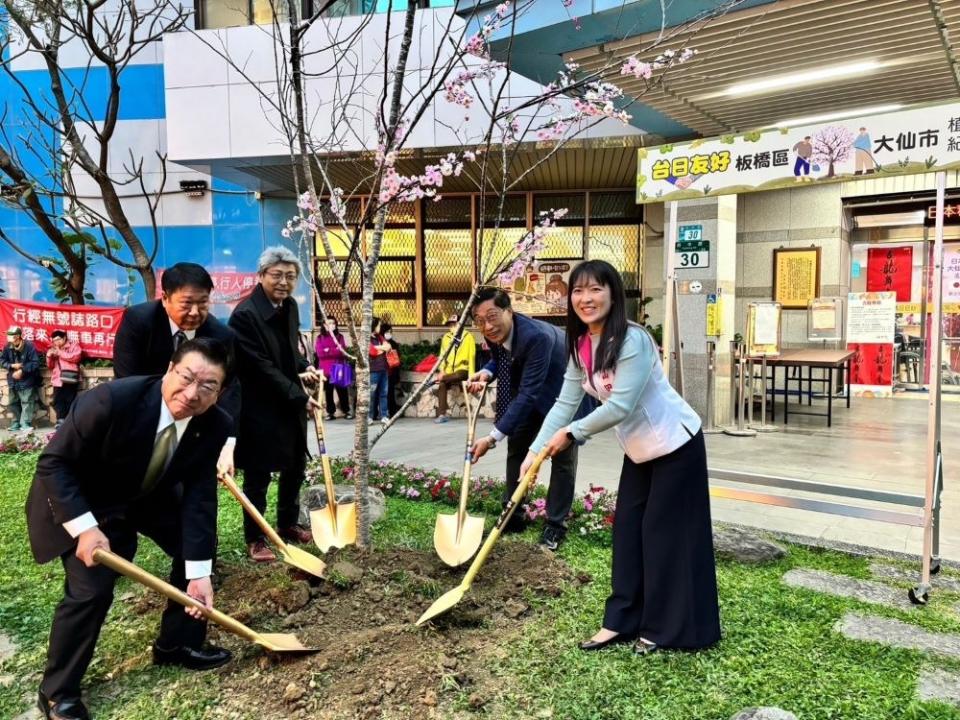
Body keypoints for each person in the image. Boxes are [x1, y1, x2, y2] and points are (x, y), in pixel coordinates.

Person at [519, 260, 720, 656]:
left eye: (596, 289)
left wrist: (572, 434)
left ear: (613, 295)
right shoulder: (579, 345)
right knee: (628, 533)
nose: (586, 298)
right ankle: (620, 621)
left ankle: (663, 628)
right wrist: (535, 450)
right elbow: (564, 404)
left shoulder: (634, 340)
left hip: (676, 445)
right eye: (578, 291)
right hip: (639, 451)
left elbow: (622, 406)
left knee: (663, 537)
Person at [27, 338, 235, 720]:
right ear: (170, 370)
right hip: (85, 499)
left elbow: (199, 496)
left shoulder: (215, 424)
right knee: (92, 589)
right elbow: (55, 464)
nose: (191, 394)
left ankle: (177, 644)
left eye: (207, 387)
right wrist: (85, 529)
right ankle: (58, 692)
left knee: (196, 555)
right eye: (186, 378)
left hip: (145, 495)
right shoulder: (111, 400)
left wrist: (201, 573)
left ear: (219, 394)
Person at [466, 288, 579, 551]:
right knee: (516, 451)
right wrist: (486, 371)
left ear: (509, 311)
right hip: (527, 395)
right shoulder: (496, 333)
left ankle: (555, 525)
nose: (487, 326)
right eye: (479, 320)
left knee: (561, 460)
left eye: (492, 316)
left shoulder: (535, 336)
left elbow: (530, 392)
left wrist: (493, 437)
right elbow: (499, 358)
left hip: (561, 396)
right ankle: (513, 516)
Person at [229, 246, 320, 563]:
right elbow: (260, 366)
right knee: (258, 475)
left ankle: (287, 524)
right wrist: (299, 395)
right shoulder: (245, 315)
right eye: (277, 275)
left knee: (295, 466)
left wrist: (304, 365)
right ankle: (255, 538)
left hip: (287, 401)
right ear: (261, 275)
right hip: (258, 406)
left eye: (290, 276)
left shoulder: (290, 305)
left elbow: (287, 350)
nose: (284, 282)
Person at [113, 262, 240, 473]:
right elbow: (127, 380)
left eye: (203, 303)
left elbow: (229, 388)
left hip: (194, 424)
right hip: (141, 417)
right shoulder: (139, 322)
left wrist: (228, 441)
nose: (194, 312)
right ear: (164, 298)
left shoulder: (221, 336)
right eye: (186, 303)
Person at [433, 314, 476, 424]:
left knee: (455, 376)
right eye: (450, 325)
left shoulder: (468, 336)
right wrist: (442, 370)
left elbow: (472, 356)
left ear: (460, 324)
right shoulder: (446, 337)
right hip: (449, 372)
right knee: (442, 384)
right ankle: (443, 414)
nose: (451, 327)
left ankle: (443, 379)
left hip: (462, 370)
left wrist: (471, 376)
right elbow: (442, 356)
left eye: (454, 324)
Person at [2, 326, 41, 431]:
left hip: (27, 380)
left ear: (18, 336)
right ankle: (16, 423)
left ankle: (25, 423)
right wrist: (11, 366)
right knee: (13, 402)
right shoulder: (7, 346)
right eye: (8, 335)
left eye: (11, 335)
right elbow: (2, 361)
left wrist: (22, 370)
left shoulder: (29, 346)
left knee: (27, 401)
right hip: (12, 380)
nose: (8, 337)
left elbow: (35, 363)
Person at [315, 316, 353, 420]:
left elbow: (342, 351)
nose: (331, 325)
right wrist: (333, 350)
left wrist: (328, 350)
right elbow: (320, 354)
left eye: (333, 323)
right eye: (328, 323)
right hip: (325, 370)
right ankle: (330, 413)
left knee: (342, 391)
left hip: (338, 368)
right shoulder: (319, 337)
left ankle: (346, 411)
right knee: (328, 392)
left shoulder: (339, 337)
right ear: (324, 325)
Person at [46, 330, 82, 428]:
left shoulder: (74, 346)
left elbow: (75, 357)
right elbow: (50, 366)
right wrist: (49, 357)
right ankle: (60, 420)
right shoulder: (54, 348)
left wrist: (59, 353)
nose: (56, 342)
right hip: (58, 379)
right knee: (58, 400)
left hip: (70, 377)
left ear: (64, 338)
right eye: (54, 340)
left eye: (58, 339)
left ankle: (71, 421)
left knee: (70, 399)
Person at [368, 316, 391, 425]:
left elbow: (388, 347)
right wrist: (382, 348)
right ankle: (369, 416)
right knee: (371, 394)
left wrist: (378, 348)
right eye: (378, 325)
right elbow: (372, 352)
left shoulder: (380, 337)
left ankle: (384, 415)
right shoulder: (366, 338)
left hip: (383, 369)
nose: (380, 327)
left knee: (383, 393)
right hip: (373, 370)